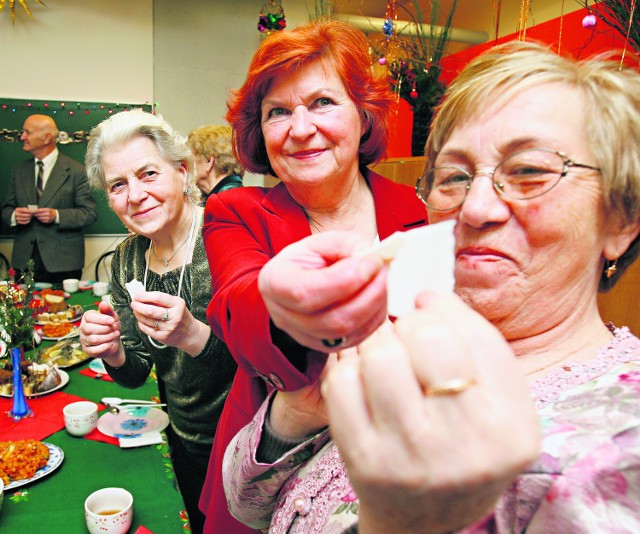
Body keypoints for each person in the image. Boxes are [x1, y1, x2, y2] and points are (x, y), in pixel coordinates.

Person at [222, 41, 640, 532]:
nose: (476, 207)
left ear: (621, 219)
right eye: (454, 177)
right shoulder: (412, 340)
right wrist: (302, 406)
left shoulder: (618, 449)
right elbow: (247, 500)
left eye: (529, 172)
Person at [199, 19, 428, 533]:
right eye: (278, 112)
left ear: (363, 116)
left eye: (323, 102)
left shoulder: (413, 208)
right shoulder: (236, 210)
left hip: (391, 462)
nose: (300, 129)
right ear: (261, 132)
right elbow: (236, 307)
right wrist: (289, 304)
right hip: (269, 460)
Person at [79, 110, 237, 534]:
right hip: (181, 436)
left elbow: (270, 360)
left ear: (182, 172)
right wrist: (113, 351)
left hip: (242, 440)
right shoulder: (128, 258)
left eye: (148, 173)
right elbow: (137, 372)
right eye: (117, 185)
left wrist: (194, 336)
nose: (134, 195)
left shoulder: (226, 234)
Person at [1, 114, 97, 283]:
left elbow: (89, 213)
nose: (22, 137)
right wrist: (14, 216)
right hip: (24, 261)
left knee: (63, 309)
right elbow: (6, 210)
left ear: (46, 138)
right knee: (21, 309)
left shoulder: (76, 171)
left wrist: (57, 215)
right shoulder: (18, 171)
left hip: (63, 263)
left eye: (27, 132)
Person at [186, 124, 244, 201]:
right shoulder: (237, 196)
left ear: (208, 161)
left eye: (190, 158)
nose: (185, 166)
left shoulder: (222, 202)